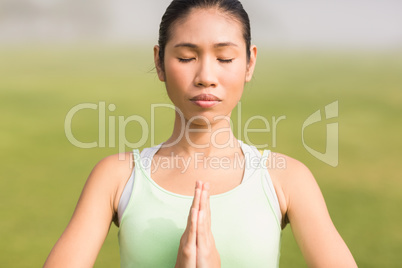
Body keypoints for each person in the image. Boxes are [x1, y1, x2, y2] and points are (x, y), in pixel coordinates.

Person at [44, 0, 357, 267]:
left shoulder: (286, 179)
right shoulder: (116, 178)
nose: (206, 77)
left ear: (250, 63)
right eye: (186, 58)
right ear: (159, 62)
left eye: (224, 58)